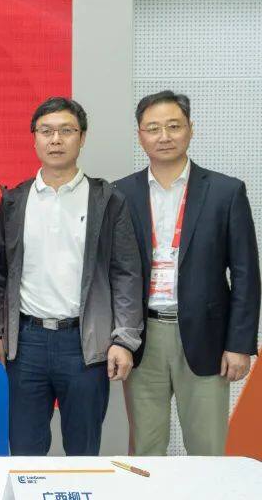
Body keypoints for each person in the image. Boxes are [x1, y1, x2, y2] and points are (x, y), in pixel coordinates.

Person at [0, 97, 143, 456]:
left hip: (84, 345)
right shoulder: (14, 201)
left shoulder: (107, 200)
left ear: (82, 137)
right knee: (24, 451)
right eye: (46, 131)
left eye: (66, 131)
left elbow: (126, 275)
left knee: (83, 451)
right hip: (25, 344)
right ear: (34, 138)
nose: (56, 139)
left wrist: (124, 339)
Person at [115, 90, 260, 455]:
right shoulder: (120, 193)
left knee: (207, 448)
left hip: (207, 338)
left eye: (173, 126)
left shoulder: (225, 192)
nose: (164, 136)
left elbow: (246, 274)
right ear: (140, 136)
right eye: (153, 128)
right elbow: (113, 273)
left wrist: (239, 344)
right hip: (143, 337)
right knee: (146, 448)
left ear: (191, 129)